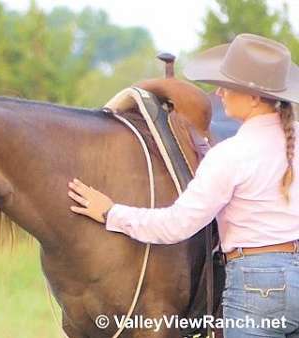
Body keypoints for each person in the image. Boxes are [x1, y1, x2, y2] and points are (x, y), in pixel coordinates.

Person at [67, 33, 299, 337]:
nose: (219, 93)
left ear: (255, 97)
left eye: (228, 86)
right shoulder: (286, 141)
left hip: (255, 284)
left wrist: (110, 213)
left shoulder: (231, 155)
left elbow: (176, 225)